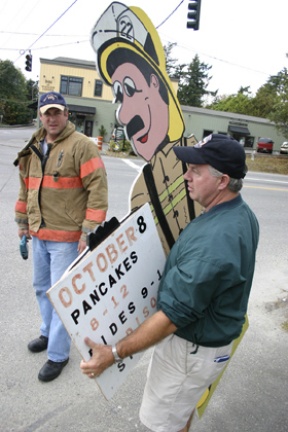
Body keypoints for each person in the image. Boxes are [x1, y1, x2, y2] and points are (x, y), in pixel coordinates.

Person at [80, 134, 259, 432]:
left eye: (196, 171)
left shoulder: (215, 242)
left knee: (161, 423)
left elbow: (171, 318)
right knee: (179, 413)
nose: (186, 176)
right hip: (207, 343)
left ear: (222, 180)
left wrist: (112, 354)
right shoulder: (239, 212)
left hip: (191, 350)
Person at [91, 2, 200, 255]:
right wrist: (109, 252)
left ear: (155, 83)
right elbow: (144, 258)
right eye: (119, 96)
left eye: (130, 89)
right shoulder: (141, 188)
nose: (123, 113)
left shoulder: (202, 160)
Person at [14, 91, 108, 382]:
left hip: (67, 239)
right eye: (46, 113)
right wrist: (22, 222)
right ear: (41, 116)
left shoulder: (81, 146)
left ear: (67, 115)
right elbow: (25, 186)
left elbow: (98, 191)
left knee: (60, 298)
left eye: (57, 112)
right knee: (42, 288)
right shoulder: (33, 145)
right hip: (39, 232)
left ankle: (58, 354)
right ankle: (47, 332)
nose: (51, 118)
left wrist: (88, 232)